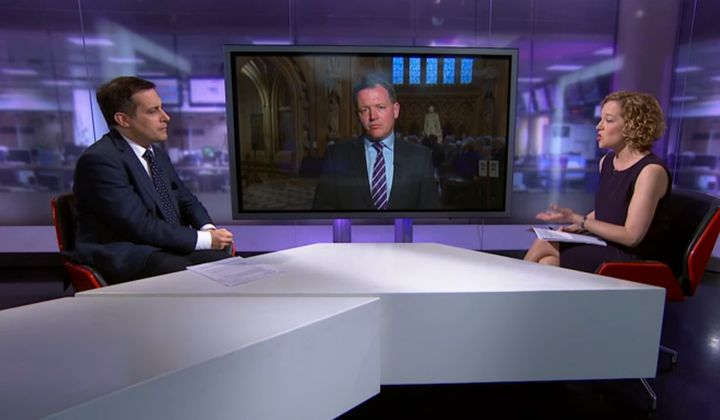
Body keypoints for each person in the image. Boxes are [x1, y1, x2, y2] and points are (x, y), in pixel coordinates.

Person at [72, 76, 234, 284]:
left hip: (159, 243)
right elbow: (138, 225)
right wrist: (203, 241)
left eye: (161, 108)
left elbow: (185, 198)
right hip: (125, 249)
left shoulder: (155, 154)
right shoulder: (99, 161)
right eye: (152, 111)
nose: (165, 117)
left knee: (222, 262)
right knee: (180, 273)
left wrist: (207, 229)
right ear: (124, 120)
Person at [524, 91, 671, 272]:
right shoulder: (607, 162)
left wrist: (579, 218)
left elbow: (632, 236)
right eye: (601, 119)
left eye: (608, 120)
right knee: (548, 263)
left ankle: (509, 293)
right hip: (608, 244)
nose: (598, 126)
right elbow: (609, 208)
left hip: (635, 255)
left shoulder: (651, 171)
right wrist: (575, 226)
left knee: (543, 243)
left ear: (633, 126)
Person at [313, 74, 439, 210]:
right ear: (357, 115)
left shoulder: (420, 157)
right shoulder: (336, 156)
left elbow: (430, 216)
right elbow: (322, 213)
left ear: (395, 110)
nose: (373, 116)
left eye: (380, 107)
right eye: (364, 110)